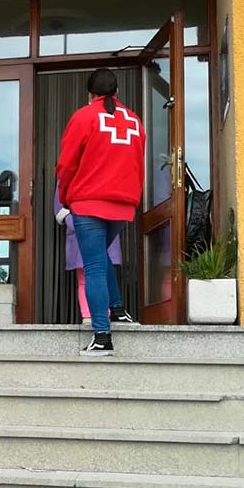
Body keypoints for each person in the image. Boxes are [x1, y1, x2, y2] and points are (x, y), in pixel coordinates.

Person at [55, 68, 145, 356]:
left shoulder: (84, 117)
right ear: (117, 92)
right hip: (123, 204)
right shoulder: (135, 120)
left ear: (90, 93)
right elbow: (137, 162)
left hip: (89, 202)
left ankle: (102, 337)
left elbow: (66, 164)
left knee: (92, 265)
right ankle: (117, 309)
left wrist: (65, 197)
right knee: (100, 255)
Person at [53, 181, 130, 325]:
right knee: (86, 277)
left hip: (103, 223)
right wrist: (73, 221)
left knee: (101, 274)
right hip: (82, 229)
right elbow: (60, 201)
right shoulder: (72, 173)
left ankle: (105, 315)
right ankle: (89, 316)